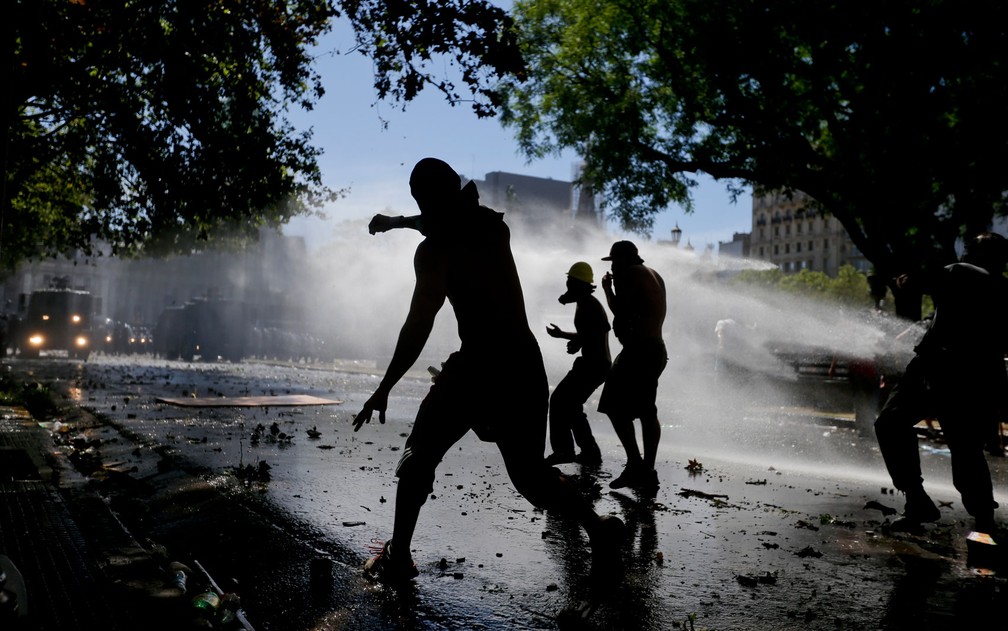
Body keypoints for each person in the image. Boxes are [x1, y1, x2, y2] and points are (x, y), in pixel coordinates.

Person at [353, 158, 626, 585]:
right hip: (522, 364)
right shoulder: (494, 230)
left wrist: (385, 386)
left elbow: (418, 324)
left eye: (416, 195)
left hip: (478, 366)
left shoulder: (434, 253)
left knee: (420, 454)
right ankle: (597, 529)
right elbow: (446, 220)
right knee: (531, 477)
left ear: (420, 198)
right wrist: (397, 223)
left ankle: (399, 556)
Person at [874, 232, 1008, 534]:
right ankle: (984, 519)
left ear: (978, 253)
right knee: (966, 448)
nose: (964, 252)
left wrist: (903, 279)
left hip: (936, 366)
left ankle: (917, 499)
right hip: (978, 374)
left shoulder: (960, 272)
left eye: (971, 248)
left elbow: (917, 282)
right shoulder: (1004, 288)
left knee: (891, 423)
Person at [598, 241, 668, 491]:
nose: (613, 267)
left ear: (624, 259)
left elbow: (621, 311)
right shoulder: (655, 275)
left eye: (614, 262)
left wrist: (608, 289)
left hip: (639, 351)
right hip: (656, 349)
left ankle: (636, 464)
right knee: (647, 411)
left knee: (613, 406)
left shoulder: (628, 274)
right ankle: (646, 470)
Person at [543, 262, 612, 467]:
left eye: (570, 282)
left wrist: (576, 343)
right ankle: (590, 452)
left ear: (578, 285)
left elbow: (595, 334)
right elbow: (588, 334)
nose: (566, 286)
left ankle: (564, 451)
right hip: (594, 364)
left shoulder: (589, 305)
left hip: (593, 365)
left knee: (558, 401)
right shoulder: (585, 302)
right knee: (572, 406)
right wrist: (563, 335)